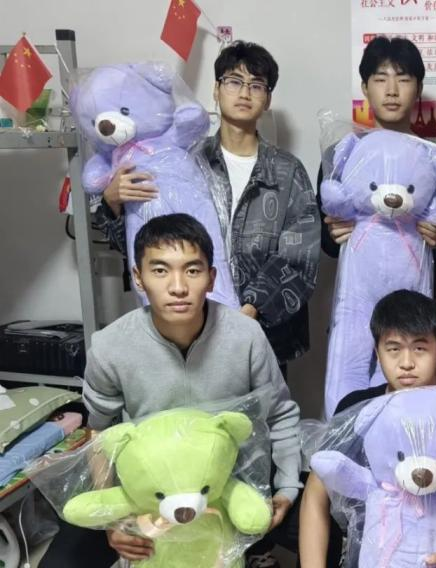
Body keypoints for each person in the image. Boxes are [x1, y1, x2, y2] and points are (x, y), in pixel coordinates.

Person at [40, 213, 301, 568]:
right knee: (60, 562)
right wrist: (113, 520)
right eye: (160, 270)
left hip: (226, 484)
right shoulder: (110, 346)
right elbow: (100, 435)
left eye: (192, 270)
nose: (178, 287)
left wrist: (287, 489)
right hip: (149, 491)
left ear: (211, 278)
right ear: (138, 277)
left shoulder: (245, 337)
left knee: (316, 519)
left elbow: (280, 415)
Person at [95, 41, 320, 375]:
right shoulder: (182, 160)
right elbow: (146, 240)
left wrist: (248, 312)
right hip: (186, 332)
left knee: (263, 409)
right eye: (234, 81)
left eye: (256, 85)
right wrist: (112, 203)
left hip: (263, 338)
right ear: (216, 90)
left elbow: (299, 258)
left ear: (268, 99)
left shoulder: (287, 172)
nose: (244, 93)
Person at [299, 290, 436, 568]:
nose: (406, 363)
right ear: (377, 352)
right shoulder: (358, 406)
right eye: (393, 349)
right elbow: (316, 495)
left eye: (419, 348)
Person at [318, 35, 436, 278]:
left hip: (414, 290)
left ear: (418, 89)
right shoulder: (342, 155)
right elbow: (324, 236)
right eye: (380, 79)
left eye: (403, 79)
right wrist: (333, 234)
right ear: (365, 88)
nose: (392, 91)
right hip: (358, 288)